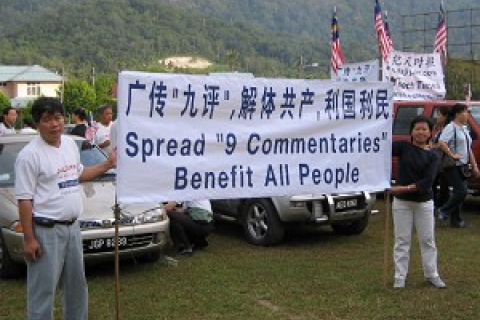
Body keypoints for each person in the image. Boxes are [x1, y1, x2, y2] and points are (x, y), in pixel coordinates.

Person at [14, 97, 116, 320]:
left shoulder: (70, 145)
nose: (54, 124)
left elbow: (80, 174)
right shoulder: (29, 156)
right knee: (43, 292)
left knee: (76, 288)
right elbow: (24, 200)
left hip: (73, 229)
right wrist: (29, 239)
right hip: (45, 231)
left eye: (58, 118)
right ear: (37, 123)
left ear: (64, 119)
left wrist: (108, 164)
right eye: (47, 119)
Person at [389, 115, 446, 289]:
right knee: (402, 241)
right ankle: (400, 277)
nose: (420, 132)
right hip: (402, 204)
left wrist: (402, 188)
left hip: (424, 203)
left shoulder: (433, 156)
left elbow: (426, 183)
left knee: (428, 240)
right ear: (411, 131)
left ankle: (432, 274)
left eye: (424, 129)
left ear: (430, 133)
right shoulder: (403, 147)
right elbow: (380, 147)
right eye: (417, 129)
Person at [437, 104, 480, 228]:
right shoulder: (451, 127)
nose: (467, 115)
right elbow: (441, 142)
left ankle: (456, 220)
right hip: (453, 165)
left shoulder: (464, 129)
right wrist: (452, 154)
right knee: (462, 191)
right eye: (465, 112)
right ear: (457, 114)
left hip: (463, 165)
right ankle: (443, 211)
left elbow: (468, 149)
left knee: (459, 192)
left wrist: (474, 166)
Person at [431, 107, 450, 209]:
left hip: (443, 163)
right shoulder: (438, 129)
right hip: (436, 162)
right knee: (433, 184)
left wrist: (433, 146)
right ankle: (435, 206)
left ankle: (443, 208)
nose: (437, 117)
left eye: (439, 115)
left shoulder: (448, 130)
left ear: (445, 117)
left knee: (444, 187)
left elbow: (444, 144)